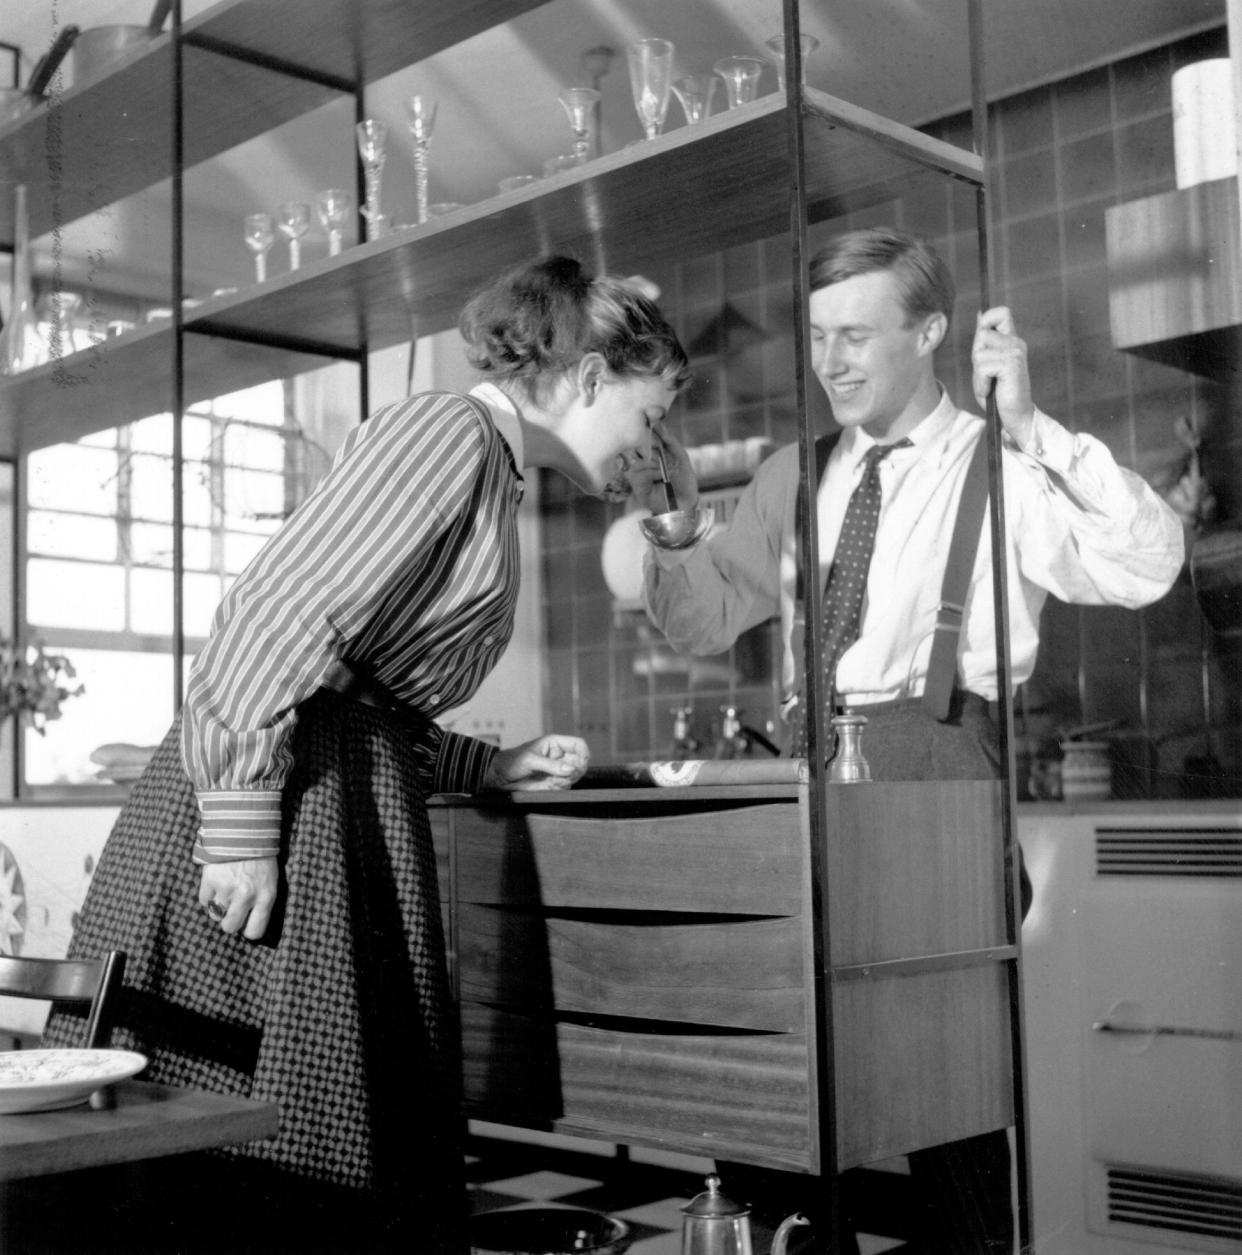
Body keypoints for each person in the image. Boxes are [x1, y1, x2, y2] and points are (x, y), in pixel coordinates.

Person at [43, 255, 690, 1255]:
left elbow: (365, 698)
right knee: (259, 1164)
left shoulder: (489, 463)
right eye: (651, 418)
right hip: (272, 815)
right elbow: (276, 616)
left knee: (321, 1150)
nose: (651, 452)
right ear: (593, 375)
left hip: (329, 806)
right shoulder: (451, 435)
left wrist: (490, 765)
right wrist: (241, 826)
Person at [635, 227, 1183, 1252]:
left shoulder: (1001, 463)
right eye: (816, 336)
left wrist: (1030, 425)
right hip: (812, 786)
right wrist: (670, 527)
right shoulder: (793, 475)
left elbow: (1147, 562)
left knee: (951, 1092)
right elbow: (703, 620)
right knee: (794, 1084)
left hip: (939, 777)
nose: (831, 361)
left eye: (856, 334)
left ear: (930, 331)